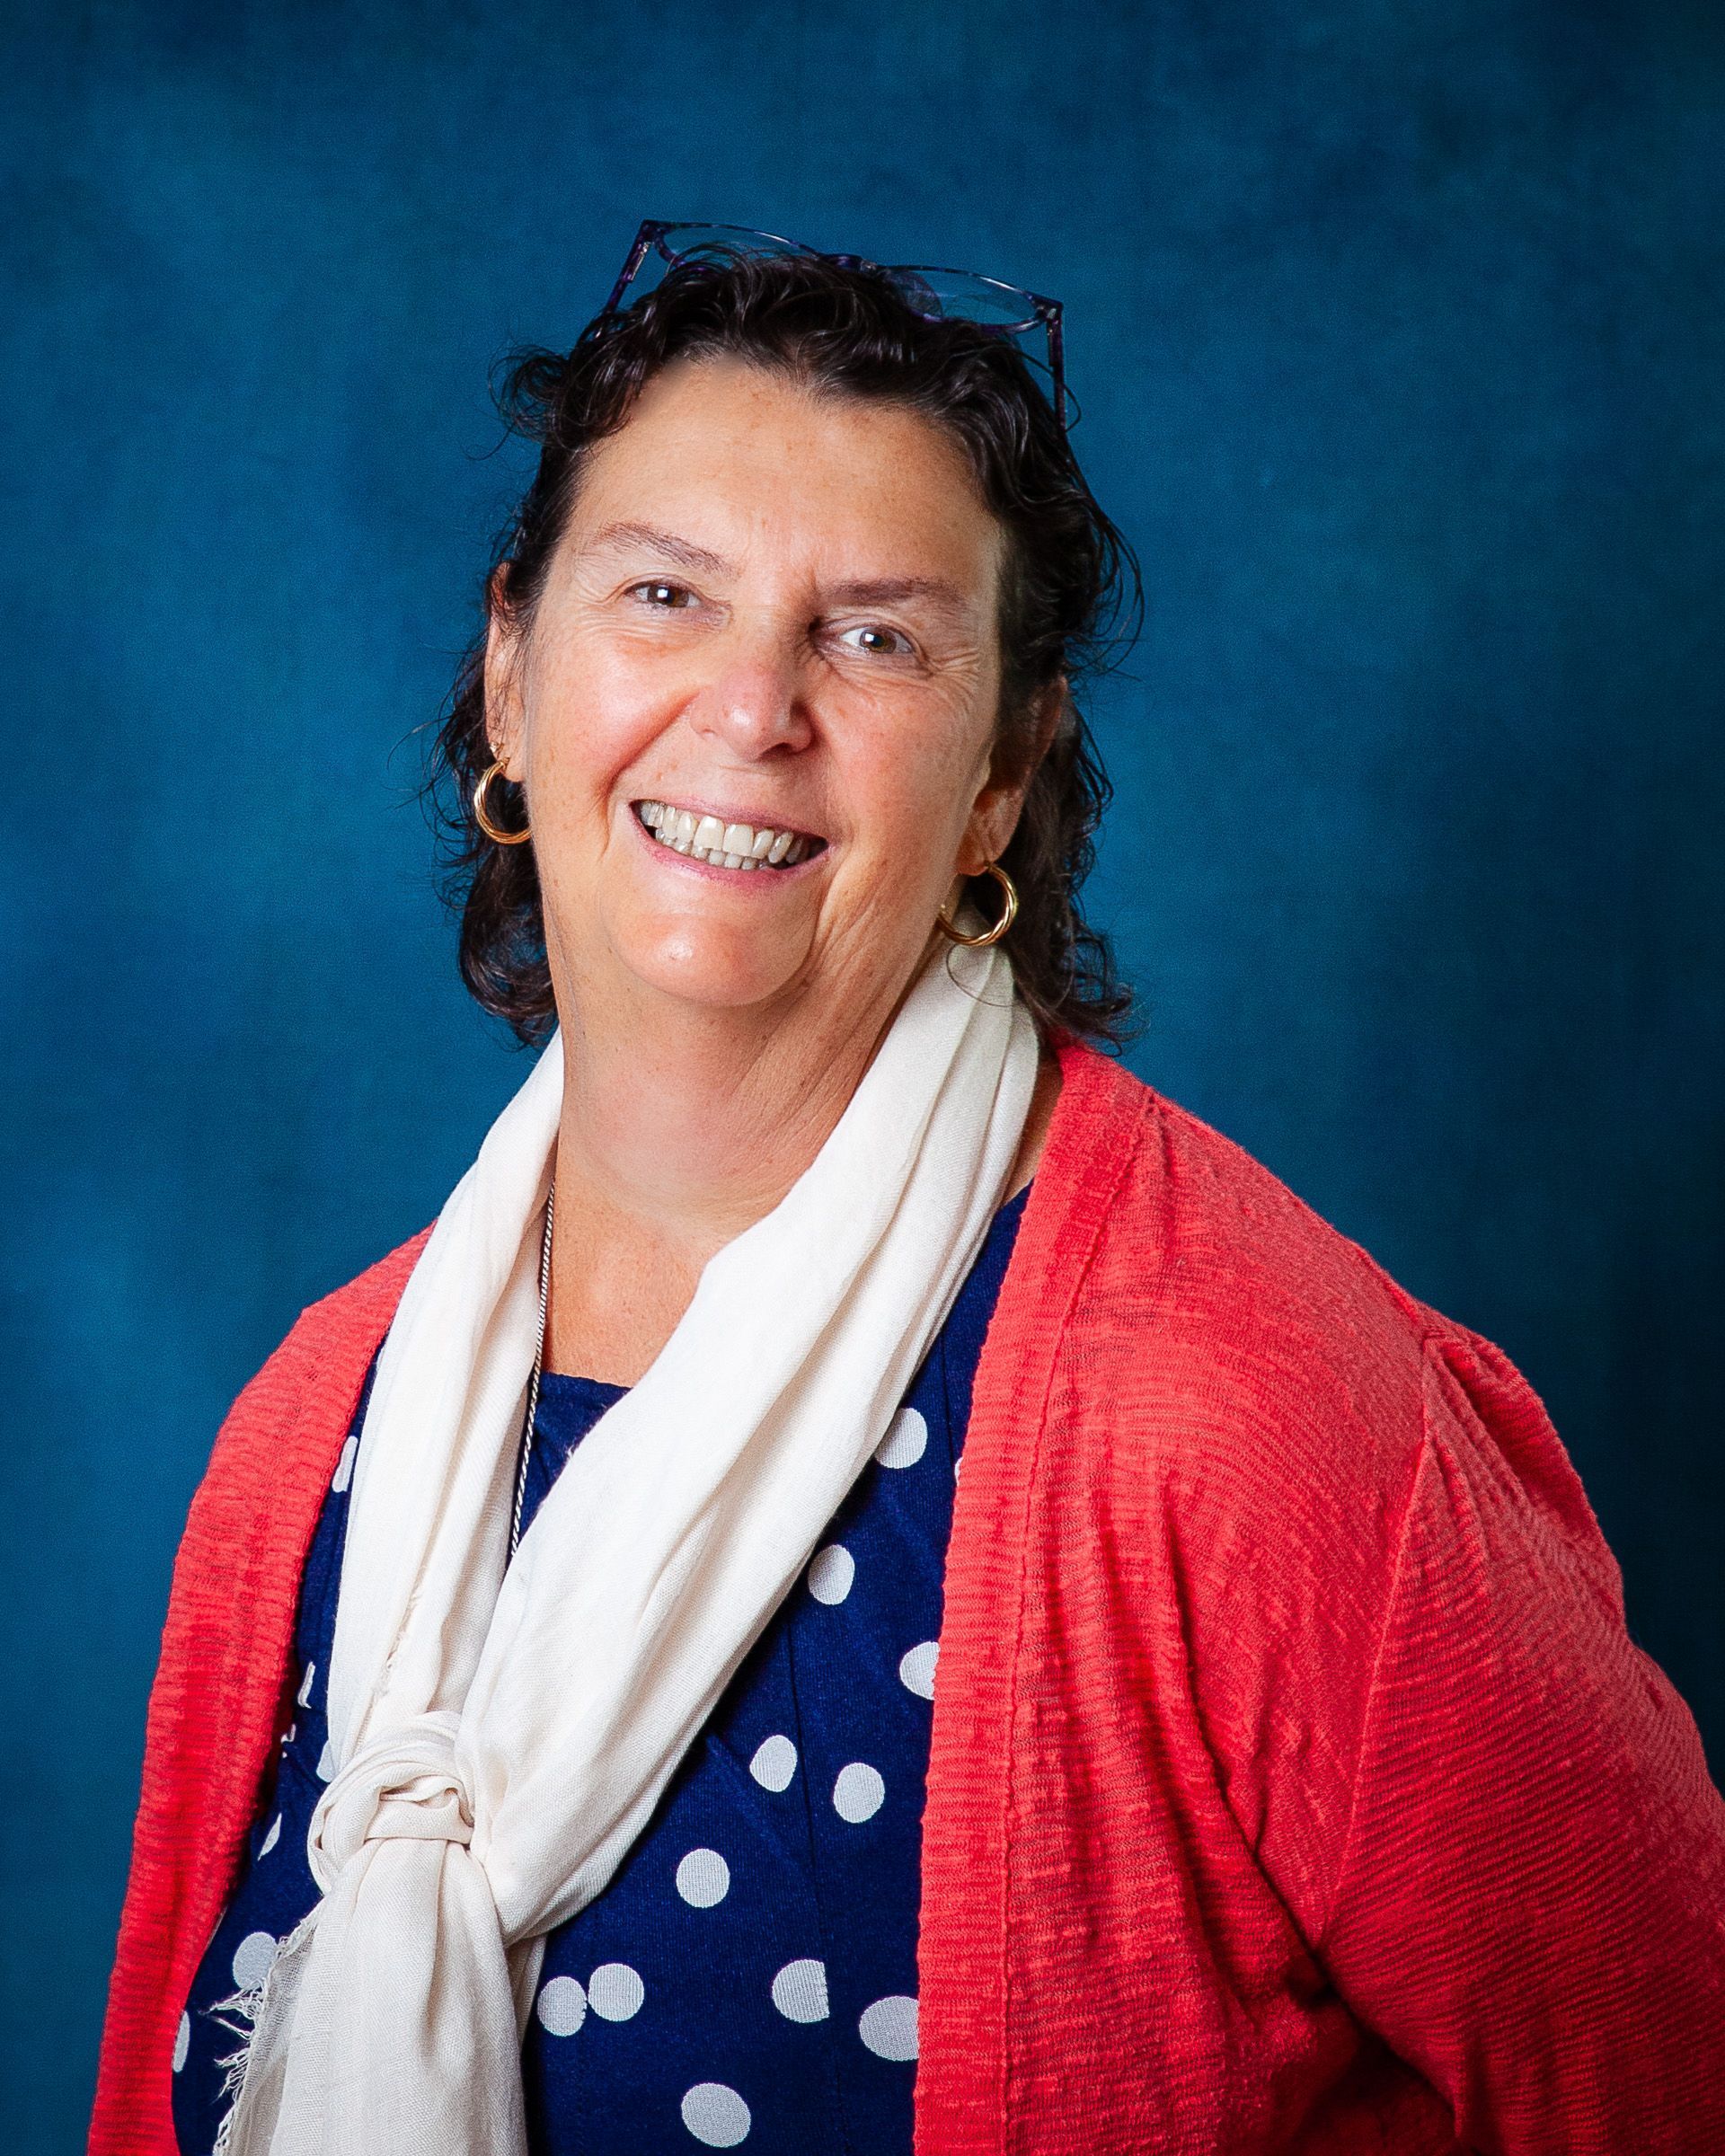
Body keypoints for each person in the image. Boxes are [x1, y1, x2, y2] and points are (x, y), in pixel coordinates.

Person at [93, 225, 1725, 2156]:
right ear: (513, 679)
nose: (752, 706)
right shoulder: (316, 1439)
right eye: (666, 594)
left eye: (875, 635)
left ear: (1000, 777)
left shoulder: (1238, 1413)